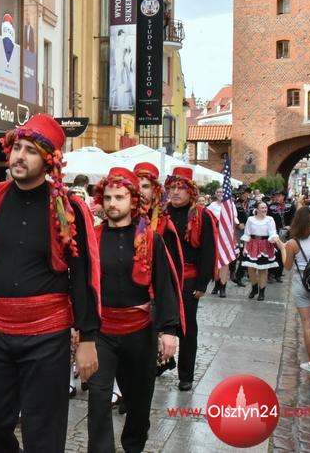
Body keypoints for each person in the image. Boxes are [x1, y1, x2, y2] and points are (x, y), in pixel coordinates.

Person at [0, 113, 101, 452]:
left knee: (43, 433)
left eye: (31, 151)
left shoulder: (69, 208)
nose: (20, 156)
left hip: (47, 334)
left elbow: (84, 275)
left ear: (48, 160)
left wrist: (88, 337)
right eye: (17, 147)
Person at [88, 167, 181, 452]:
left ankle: (134, 445)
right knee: (98, 396)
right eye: (108, 198)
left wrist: (169, 330)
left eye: (119, 197)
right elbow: (82, 284)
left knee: (138, 400)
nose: (112, 203)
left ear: (133, 200)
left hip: (140, 332)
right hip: (102, 331)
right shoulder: (93, 237)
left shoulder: (150, 239)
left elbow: (164, 285)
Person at [163, 167, 216, 391]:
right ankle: (162, 362)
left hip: (188, 278)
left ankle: (186, 374)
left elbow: (208, 250)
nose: (175, 192)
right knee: (160, 324)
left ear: (190, 191)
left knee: (186, 327)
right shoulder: (161, 212)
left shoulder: (201, 215)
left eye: (180, 188)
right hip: (163, 278)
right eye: (172, 188)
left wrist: (202, 283)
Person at [133, 162, 185, 376]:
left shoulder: (164, 226)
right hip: (125, 302)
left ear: (155, 191)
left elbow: (170, 275)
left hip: (153, 300)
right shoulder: (119, 221)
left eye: (145, 186)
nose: (140, 190)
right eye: (136, 185)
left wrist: (168, 324)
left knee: (146, 367)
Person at [280, 207, 310, 373]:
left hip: (302, 285)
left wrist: (282, 249)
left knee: (308, 325)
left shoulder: (292, 243)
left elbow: (287, 266)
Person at [241, 201, 280, 301]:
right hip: (253, 244)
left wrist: (274, 239)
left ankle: (262, 292)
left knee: (263, 269)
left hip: (265, 245)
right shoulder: (250, 219)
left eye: (265, 207)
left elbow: (272, 232)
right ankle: (254, 287)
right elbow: (247, 233)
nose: (265, 209)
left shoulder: (270, 219)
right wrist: (245, 247)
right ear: (257, 209)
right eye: (262, 208)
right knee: (250, 268)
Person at [207, 187, 239, 298]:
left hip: (226, 235)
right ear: (215, 194)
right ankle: (217, 284)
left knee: (225, 262)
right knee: (216, 261)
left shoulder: (231, 204)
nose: (221, 193)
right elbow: (207, 219)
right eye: (218, 192)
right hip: (215, 234)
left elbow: (234, 218)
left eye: (222, 192)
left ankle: (223, 287)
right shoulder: (211, 206)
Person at [269, 190, 295, 282]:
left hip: (286, 233)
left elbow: (294, 217)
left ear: (283, 196)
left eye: (279, 196)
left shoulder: (290, 206)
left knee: (283, 253)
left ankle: (278, 274)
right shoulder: (270, 207)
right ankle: (271, 273)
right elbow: (268, 219)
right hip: (275, 233)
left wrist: (290, 226)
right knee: (273, 253)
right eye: (275, 196)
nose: (276, 198)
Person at [232, 186, 255, 287]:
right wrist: (237, 224)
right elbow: (232, 217)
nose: (243, 195)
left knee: (247, 254)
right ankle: (234, 274)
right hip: (240, 232)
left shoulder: (254, 203)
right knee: (240, 253)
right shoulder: (235, 204)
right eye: (241, 193)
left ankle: (239, 276)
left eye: (245, 192)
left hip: (252, 231)